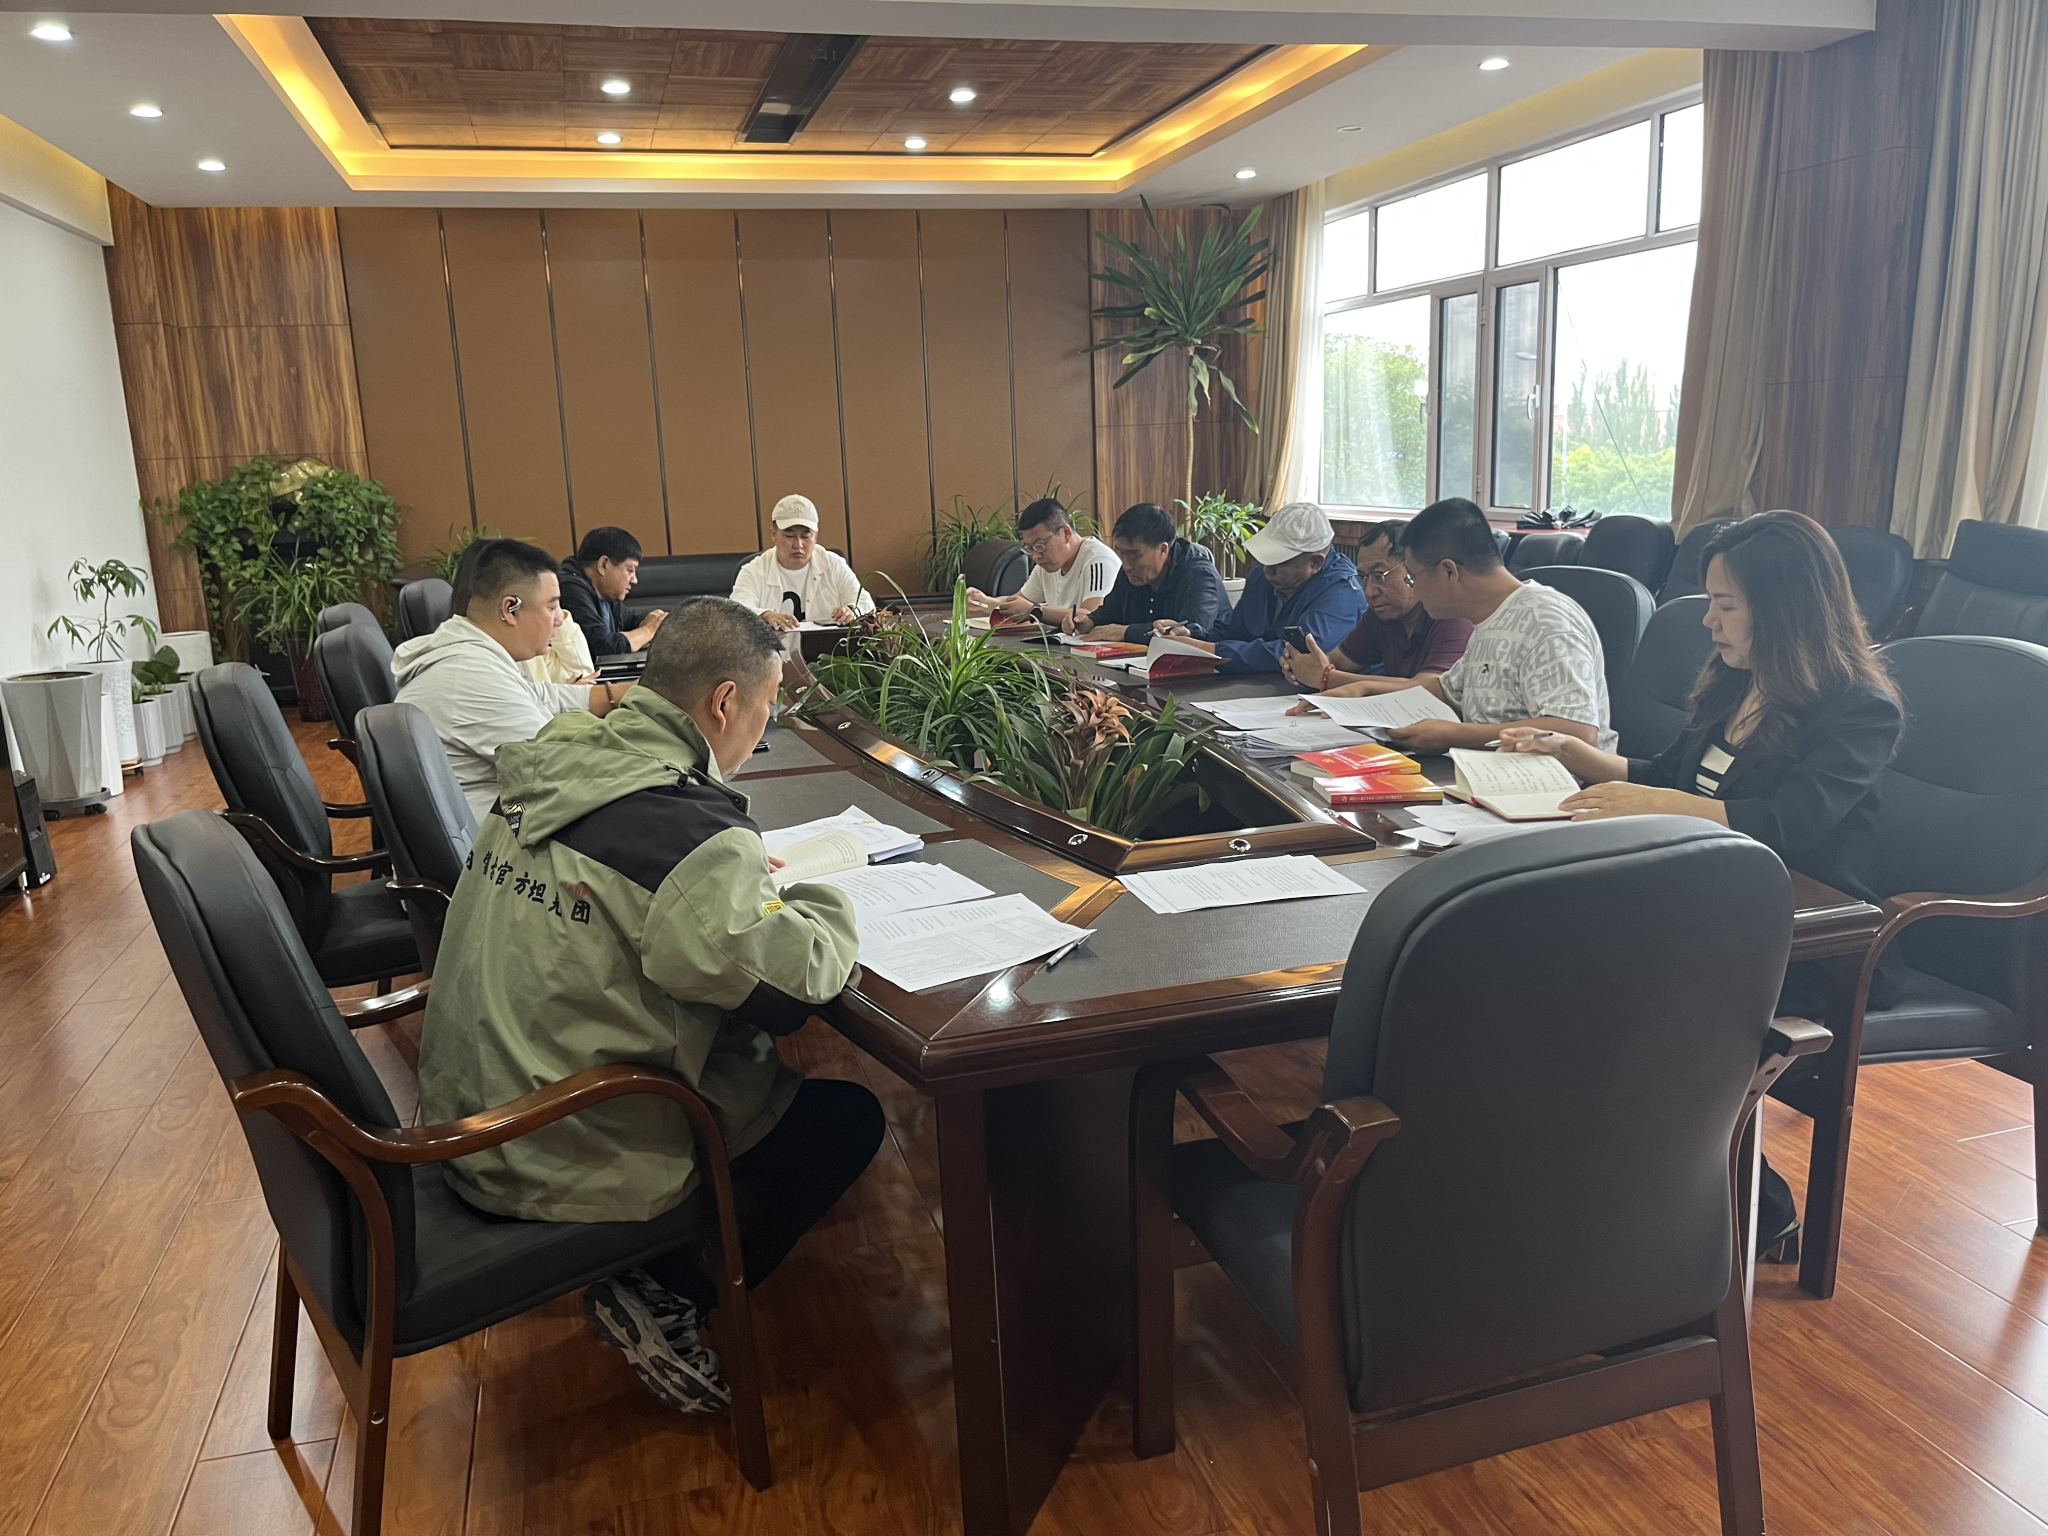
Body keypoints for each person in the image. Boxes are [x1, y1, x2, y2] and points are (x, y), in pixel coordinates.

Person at [417, 598, 884, 1414]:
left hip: (467, 1104)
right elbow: (791, 988)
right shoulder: (680, 830)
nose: (762, 730)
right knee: (842, 1120)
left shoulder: (557, 760)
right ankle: (666, 1289)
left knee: (743, 1061)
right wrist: (824, 897)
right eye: (767, 707)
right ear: (725, 702)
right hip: (553, 1144)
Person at [1497, 509, 1903, 1261]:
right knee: (1547, 965)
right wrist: (1581, 758)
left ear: (1783, 609)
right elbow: (1674, 777)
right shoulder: (1735, 681)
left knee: (1608, 1002)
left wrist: (1656, 802)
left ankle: (1743, 1207)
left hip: (1802, 939)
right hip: (1706, 908)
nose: (1708, 621)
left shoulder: (1857, 708)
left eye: (1725, 605)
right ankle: (1603, 1186)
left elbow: (1791, 823)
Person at [1328, 497, 1613, 753]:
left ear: (1448, 572)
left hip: (1556, 789)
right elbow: (1447, 690)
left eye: (1413, 577)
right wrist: (1365, 690)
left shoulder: (1546, 621)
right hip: (1486, 776)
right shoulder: (1489, 620)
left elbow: (1577, 732)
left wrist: (1456, 735)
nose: (1414, 589)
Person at [394, 538, 630, 821]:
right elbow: (566, 765)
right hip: (501, 837)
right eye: (552, 607)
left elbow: (543, 696)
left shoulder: (474, 656)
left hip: (509, 815)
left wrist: (629, 693)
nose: (559, 620)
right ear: (510, 609)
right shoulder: (471, 676)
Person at [1156, 500, 1364, 674]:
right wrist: (1192, 634)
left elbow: (1296, 655)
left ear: (1316, 563)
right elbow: (1235, 629)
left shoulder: (1342, 592)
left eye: (1280, 561)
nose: (1268, 569)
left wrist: (1212, 650)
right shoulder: (1264, 574)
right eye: (1266, 557)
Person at [1280, 519, 1472, 694]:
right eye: (1364, 578)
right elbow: (1339, 661)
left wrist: (1327, 678)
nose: (1369, 592)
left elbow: (1430, 689)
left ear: (1413, 569)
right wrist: (1302, 666)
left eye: (1379, 576)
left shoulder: (1451, 614)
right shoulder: (1384, 613)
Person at [1069, 501, 1230, 641]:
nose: (1126, 565)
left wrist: (1126, 632)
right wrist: (1090, 621)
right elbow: (1112, 611)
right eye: (1121, 553)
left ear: (1162, 550)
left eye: (1134, 554)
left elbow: (1190, 633)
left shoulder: (1199, 574)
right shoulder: (1130, 571)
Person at [967, 498, 1118, 629]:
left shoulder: (1098, 560)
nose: (1036, 556)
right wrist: (986, 602)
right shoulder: (1047, 565)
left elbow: (1091, 616)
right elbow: (1019, 603)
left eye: (1040, 545)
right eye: (1030, 548)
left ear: (1066, 533)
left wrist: (1035, 611)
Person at [730, 494, 874, 631]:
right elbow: (734, 613)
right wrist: (765, 615)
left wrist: (852, 611)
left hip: (827, 648)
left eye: (805, 536)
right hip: (769, 648)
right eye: (789, 536)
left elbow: (866, 604)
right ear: (773, 534)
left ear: (815, 536)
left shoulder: (834, 565)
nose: (798, 545)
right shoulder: (753, 571)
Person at [559, 526, 666, 660]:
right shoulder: (569, 589)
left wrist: (656, 621)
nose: (635, 580)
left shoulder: (605, 593)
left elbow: (631, 621)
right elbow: (602, 646)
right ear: (604, 564)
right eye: (630, 570)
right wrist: (649, 630)